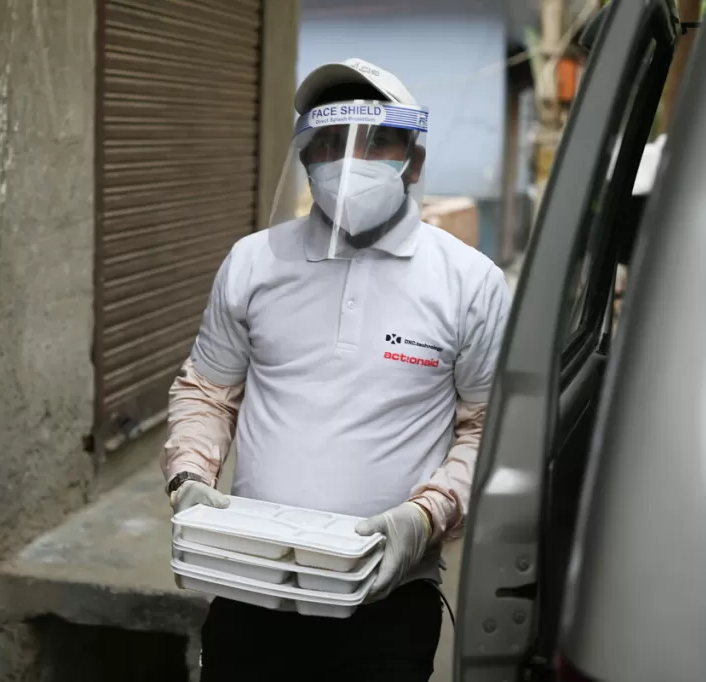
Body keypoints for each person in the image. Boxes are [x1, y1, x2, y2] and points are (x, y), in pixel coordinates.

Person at [161, 57, 511, 682]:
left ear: (416, 160)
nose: (348, 160)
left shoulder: (469, 282)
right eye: (328, 142)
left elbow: (488, 427)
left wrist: (426, 515)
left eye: (376, 140)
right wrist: (189, 474)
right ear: (305, 158)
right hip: (250, 582)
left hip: (386, 600)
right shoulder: (252, 262)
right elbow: (208, 392)